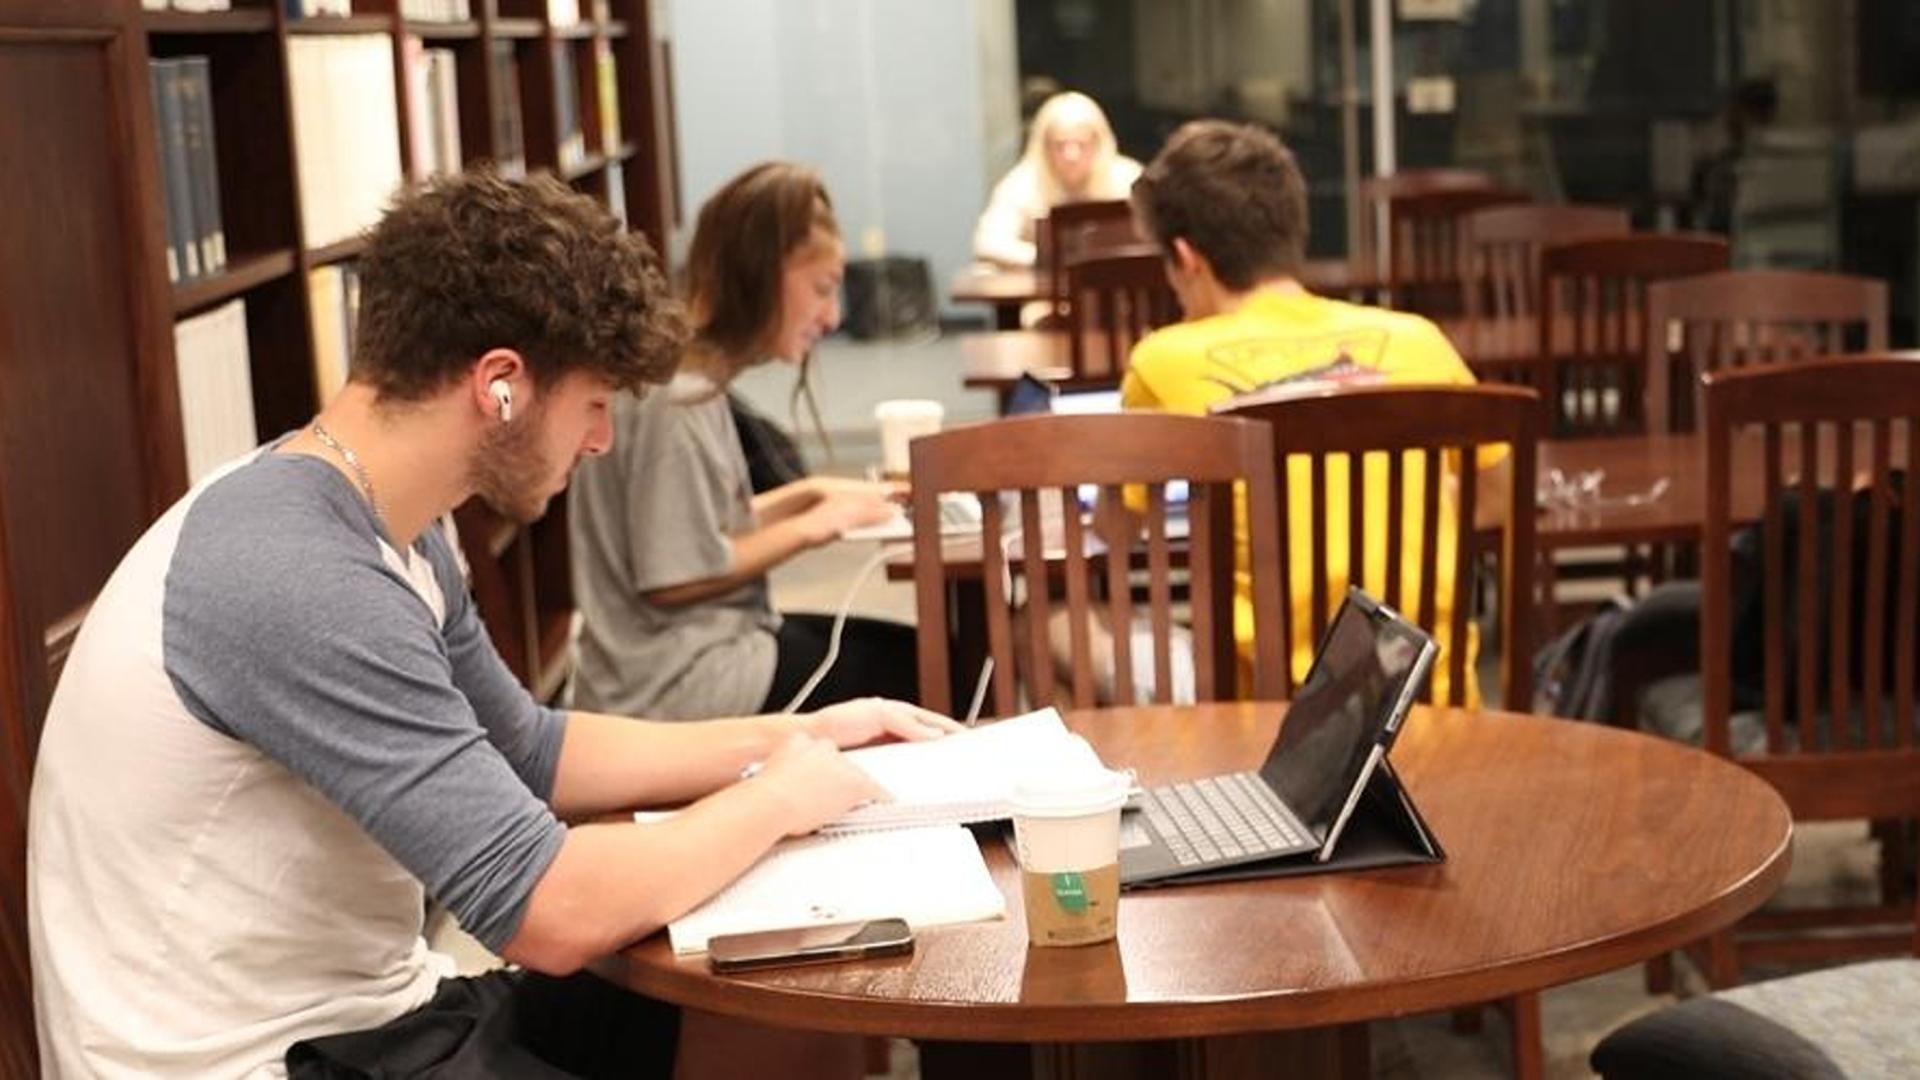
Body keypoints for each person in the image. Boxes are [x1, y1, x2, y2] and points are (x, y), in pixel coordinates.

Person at [26, 170, 959, 1078]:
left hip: (376, 1016)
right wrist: (780, 797)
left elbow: (530, 747)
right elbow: (548, 910)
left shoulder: (393, 521)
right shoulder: (295, 571)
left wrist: (800, 734)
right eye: (593, 404)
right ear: (500, 384)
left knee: (795, 1006)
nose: (600, 441)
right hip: (263, 1056)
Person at [1119, 119, 1495, 705]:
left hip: (1267, 720)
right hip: (1429, 701)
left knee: (1060, 627)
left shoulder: (1163, 359)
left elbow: (1117, 531)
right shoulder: (1419, 340)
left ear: (1187, 258)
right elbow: (1490, 495)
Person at [570, 162, 921, 722]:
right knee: (939, 665)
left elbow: (696, 530)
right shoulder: (676, 400)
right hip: (675, 684)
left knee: (919, 653)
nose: (831, 316)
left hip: (685, 660)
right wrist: (816, 524)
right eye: (822, 289)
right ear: (763, 276)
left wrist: (810, 494)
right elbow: (676, 576)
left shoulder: (690, 382)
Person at [971, 90, 1143, 268]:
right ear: (1044, 147)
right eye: (1060, 145)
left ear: (1099, 143)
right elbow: (987, 242)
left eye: (1082, 144)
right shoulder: (1021, 184)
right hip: (1044, 292)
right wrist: (1046, 260)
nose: (1071, 155)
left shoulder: (1128, 178)